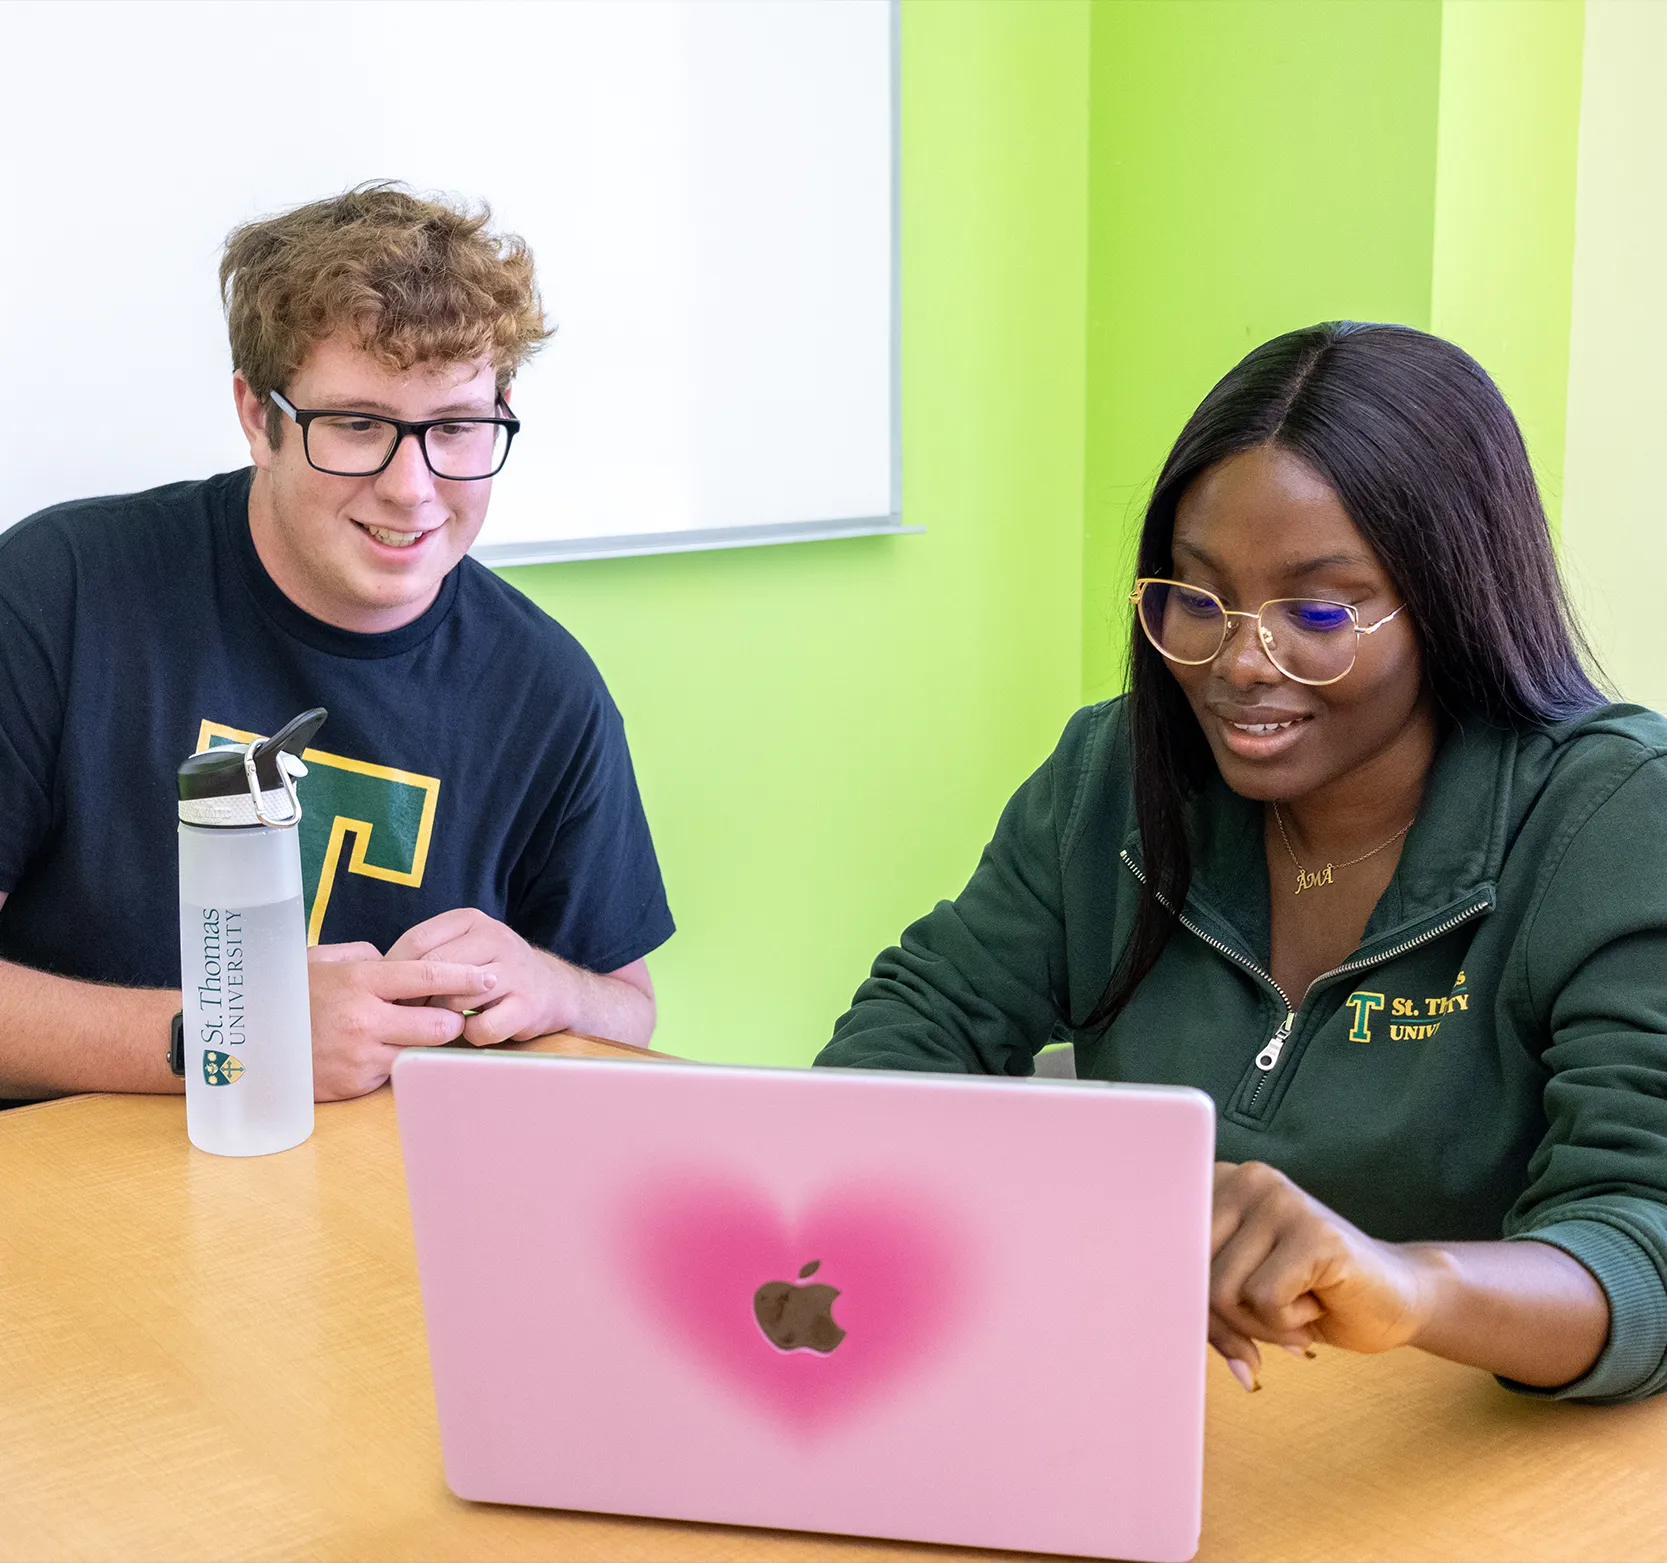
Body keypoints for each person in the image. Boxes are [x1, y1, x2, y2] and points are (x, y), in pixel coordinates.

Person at [818, 322, 1667, 1405]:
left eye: (1315, 610)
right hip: (1163, 1413)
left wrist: (1404, 1284)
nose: (1238, 662)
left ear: (1451, 599)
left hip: (1463, 1448)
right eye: (1196, 597)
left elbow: (1640, 1240)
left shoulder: (1613, 819)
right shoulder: (1114, 771)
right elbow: (916, 1028)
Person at [0, 184, 673, 1103]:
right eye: (357, 425)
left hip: (373, 1181)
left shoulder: (546, 688)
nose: (412, 487)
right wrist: (226, 1039)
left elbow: (627, 1007)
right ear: (258, 416)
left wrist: (550, 985)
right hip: (78, 1172)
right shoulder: (57, 592)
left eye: (455, 427)